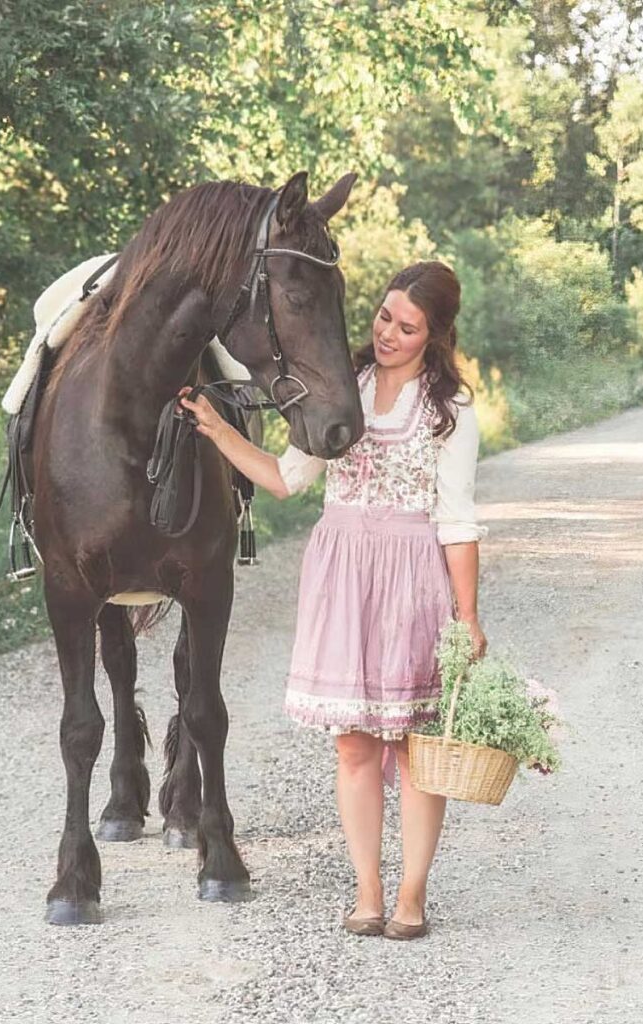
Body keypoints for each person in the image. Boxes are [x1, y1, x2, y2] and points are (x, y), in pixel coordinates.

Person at [180, 260, 487, 940]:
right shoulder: (339, 389)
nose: (388, 333)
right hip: (342, 571)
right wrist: (219, 430)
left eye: (408, 328)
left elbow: (458, 521)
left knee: (412, 746)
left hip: (412, 574)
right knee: (352, 745)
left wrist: (468, 617)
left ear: (434, 336)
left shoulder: (450, 411)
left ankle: (412, 895)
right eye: (384, 316)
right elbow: (289, 479)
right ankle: (367, 891)